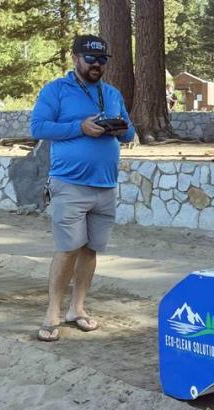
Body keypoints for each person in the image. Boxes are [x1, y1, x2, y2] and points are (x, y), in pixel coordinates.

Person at [30, 35, 136, 342]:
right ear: (76, 58)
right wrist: (80, 126)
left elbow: (129, 133)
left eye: (102, 60)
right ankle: (52, 313)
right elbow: (38, 127)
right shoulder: (56, 90)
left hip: (105, 185)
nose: (97, 65)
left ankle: (77, 309)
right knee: (67, 249)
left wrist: (118, 128)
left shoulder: (111, 93)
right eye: (91, 59)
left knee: (90, 250)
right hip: (70, 184)